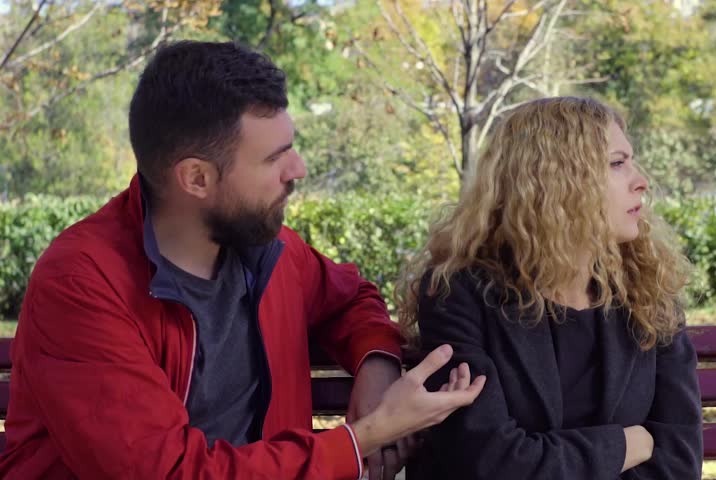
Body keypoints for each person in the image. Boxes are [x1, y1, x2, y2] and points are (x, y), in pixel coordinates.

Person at [0, 40, 485, 480]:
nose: (298, 169)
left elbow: (351, 298)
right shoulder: (81, 284)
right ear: (196, 178)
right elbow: (167, 472)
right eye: (275, 158)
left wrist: (377, 364)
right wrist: (364, 439)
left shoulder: (267, 249)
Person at [399, 96, 703, 479]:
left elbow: (679, 461)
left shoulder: (647, 292)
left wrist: (547, 457)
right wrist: (627, 444)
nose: (640, 181)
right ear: (557, 181)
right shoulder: (458, 293)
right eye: (617, 163)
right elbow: (493, 463)